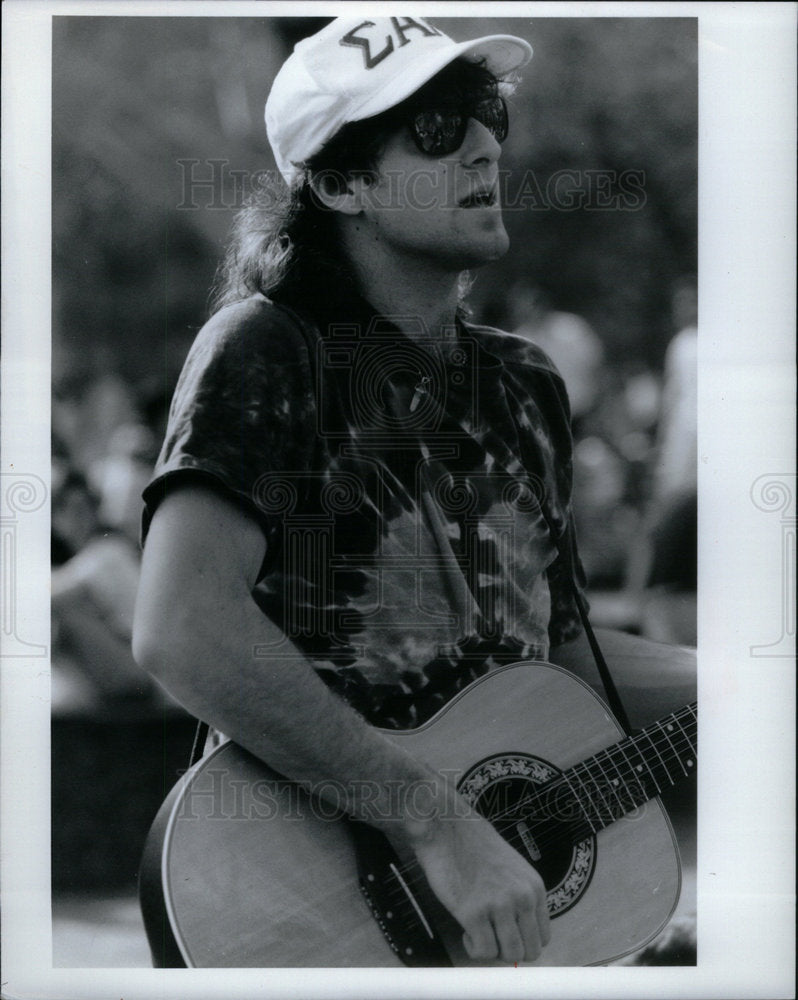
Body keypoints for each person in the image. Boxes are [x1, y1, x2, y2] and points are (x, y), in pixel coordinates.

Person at [133, 16, 695, 966]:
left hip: (508, 921)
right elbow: (179, 628)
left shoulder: (527, 385)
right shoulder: (270, 348)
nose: (483, 143)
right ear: (341, 182)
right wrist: (437, 824)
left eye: (483, 114)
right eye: (434, 128)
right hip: (302, 910)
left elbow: (557, 662)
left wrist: (746, 686)